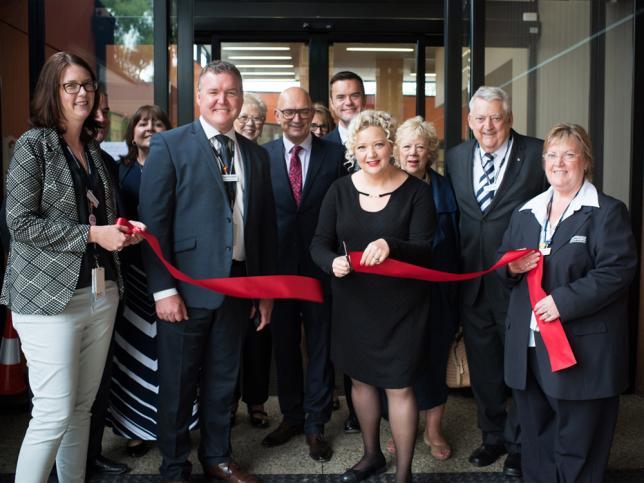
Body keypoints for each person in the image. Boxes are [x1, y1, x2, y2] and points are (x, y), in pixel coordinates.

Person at [0, 51, 144, 483]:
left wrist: (122, 230)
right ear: (53, 92)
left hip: (100, 293)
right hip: (47, 299)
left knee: (80, 410)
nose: (83, 93)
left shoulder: (95, 153)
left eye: (88, 85)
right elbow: (19, 223)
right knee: (53, 412)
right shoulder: (34, 145)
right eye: (71, 86)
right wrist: (91, 235)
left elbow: (97, 218)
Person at [138, 60, 278, 483]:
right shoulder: (170, 145)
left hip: (237, 286)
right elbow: (153, 225)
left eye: (231, 92)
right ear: (199, 98)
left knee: (223, 381)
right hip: (184, 290)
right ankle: (174, 466)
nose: (223, 99)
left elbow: (265, 230)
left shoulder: (255, 154)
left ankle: (217, 457)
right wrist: (164, 291)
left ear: (241, 99)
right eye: (214, 91)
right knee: (178, 386)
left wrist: (264, 290)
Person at [498, 123, 637, 483]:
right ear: (542, 161)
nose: (559, 163)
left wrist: (563, 302)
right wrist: (510, 269)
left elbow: (617, 271)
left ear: (585, 161)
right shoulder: (525, 212)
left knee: (578, 443)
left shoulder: (606, 212)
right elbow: (502, 262)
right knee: (536, 439)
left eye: (569, 154)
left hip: (581, 349)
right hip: (528, 347)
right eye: (552, 155)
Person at [311, 110, 436, 483]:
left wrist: (390, 245)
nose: (371, 153)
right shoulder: (339, 190)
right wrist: (331, 262)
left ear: (391, 145)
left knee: (399, 386)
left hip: (402, 306)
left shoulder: (418, 192)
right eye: (362, 147)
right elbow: (319, 243)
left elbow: (425, 248)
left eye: (378, 144)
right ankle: (371, 456)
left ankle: (403, 473)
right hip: (354, 304)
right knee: (361, 381)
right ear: (353, 149)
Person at [445, 86, 547, 477]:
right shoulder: (455, 157)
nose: (488, 126)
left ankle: (520, 444)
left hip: (520, 283)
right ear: (470, 121)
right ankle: (492, 438)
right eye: (480, 118)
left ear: (510, 118)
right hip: (472, 281)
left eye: (496, 117)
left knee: (520, 366)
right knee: (484, 366)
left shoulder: (538, 154)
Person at [261, 87, 345, 462]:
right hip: (277, 271)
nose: (297, 118)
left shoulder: (337, 155)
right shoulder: (260, 157)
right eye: (289, 112)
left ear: (313, 114)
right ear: (277, 115)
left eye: (303, 111)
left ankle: (316, 424)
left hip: (320, 269)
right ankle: (292, 416)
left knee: (321, 346)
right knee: (284, 346)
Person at [108, 105, 194, 458]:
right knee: (133, 355)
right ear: (132, 132)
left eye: (157, 124)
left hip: (170, 272)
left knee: (173, 356)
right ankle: (135, 428)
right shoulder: (119, 172)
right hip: (132, 275)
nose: (149, 129)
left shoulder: (177, 167)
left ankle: (174, 425)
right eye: (142, 123)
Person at [385, 116, 458, 461]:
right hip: (398, 291)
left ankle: (433, 429)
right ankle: (403, 426)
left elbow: (458, 242)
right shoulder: (384, 185)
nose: (413, 153)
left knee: (435, 356)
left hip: (440, 287)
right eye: (406, 146)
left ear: (430, 152)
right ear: (395, 151)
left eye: (420, 146)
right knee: (402, 359)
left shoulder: (445, 189)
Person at [85, 88, 130, 477]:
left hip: (104, 285)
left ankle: (90, 454)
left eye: (105, 111)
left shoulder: (105, 163)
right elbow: (13, 224)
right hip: (59, 290)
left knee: (96, 382)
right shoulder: (41, 152)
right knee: (62, 394)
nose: (101, 118)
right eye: (94, 111)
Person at [324, 71, 367, 432]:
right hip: (333, 259)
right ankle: (333, 405)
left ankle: (363, 411)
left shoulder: (380, 141)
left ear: (363, 98)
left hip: (373, 257)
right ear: (332, 101)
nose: (348, 102)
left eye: (354, 95)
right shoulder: (322, 146)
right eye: (341, 97)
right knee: (334, 336)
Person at [230, 91, 272, 430]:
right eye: (244, 116)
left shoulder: (262, 157)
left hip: (258, 261)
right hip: (224, 266)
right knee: (228, 340)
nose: (250, 123)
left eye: (257, 118)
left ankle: (256, 402)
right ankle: (227, 403)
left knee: (258, 336)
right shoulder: (219, 154)